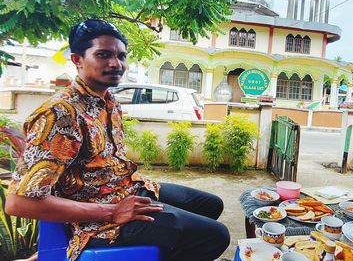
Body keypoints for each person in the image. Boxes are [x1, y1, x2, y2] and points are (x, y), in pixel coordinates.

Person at [5, 19, 230, 261]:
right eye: (103, 55)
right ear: (77, 60)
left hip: (128, 189)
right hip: (98, 220)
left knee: (211, 204)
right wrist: (112, 212)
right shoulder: (61, 114)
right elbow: (19, 203)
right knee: (216, 236)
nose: (116, 63)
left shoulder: (108, 100)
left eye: (121, 56)